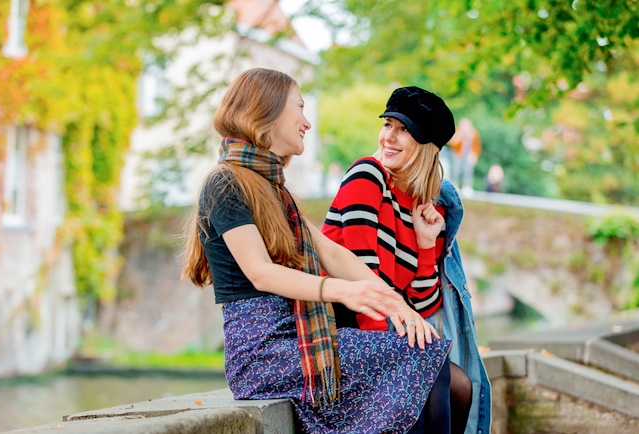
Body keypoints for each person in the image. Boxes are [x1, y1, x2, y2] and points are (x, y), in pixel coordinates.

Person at [181, 68, 454, 433]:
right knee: (420, 364)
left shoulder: (275, 191)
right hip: (263, 352)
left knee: (428, 365)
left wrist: (396, 305)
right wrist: (345, 291)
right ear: (269, 111)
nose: (307, 122)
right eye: (300, 107)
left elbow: (332, 254)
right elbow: (260, 272)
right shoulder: (226, 181)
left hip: (295, 336)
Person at [321, 86, 492, 434]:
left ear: (427, 146)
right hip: (339, 323)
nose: (389, 137)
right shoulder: (366, 176)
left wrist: (426, 243)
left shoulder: (428, 208)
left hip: (381, 326)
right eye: (387, 125)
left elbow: (424, 303)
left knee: (462, 386)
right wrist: (394, 357)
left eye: (404, 130)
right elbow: (362, 276)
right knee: (429, 373)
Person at [448, 117, 482, 196]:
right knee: (456, 170)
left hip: (468, 155)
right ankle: (454, 185)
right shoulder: (457, 131)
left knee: (468, 170)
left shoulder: (474, 133)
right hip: (457, 154)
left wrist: (475, 155)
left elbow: (477, 145)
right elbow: (452, 143)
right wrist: (459, 135)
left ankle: (467, 186)